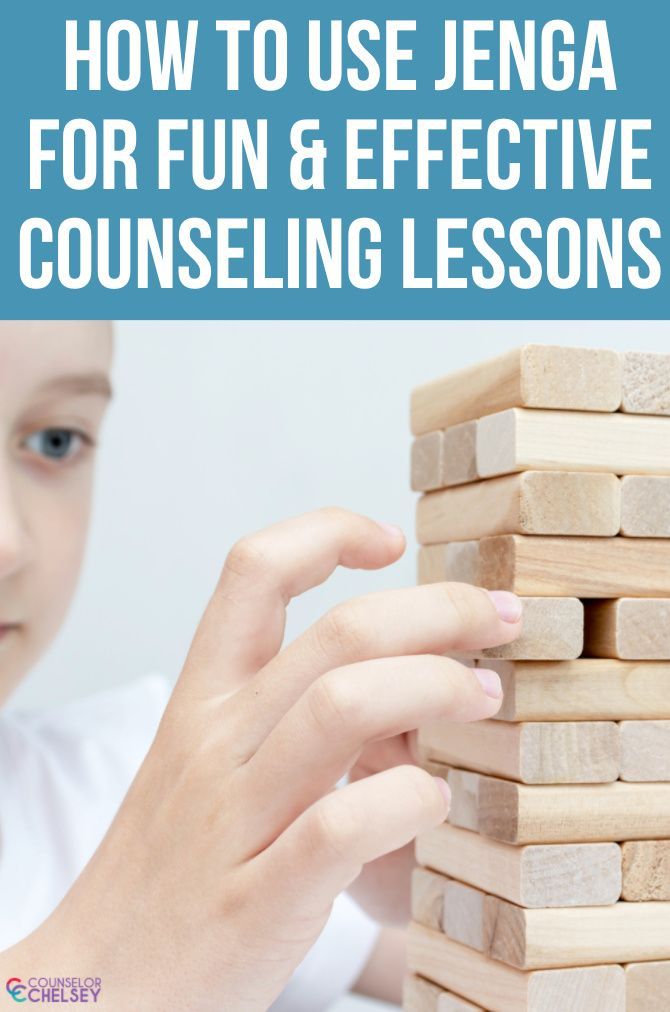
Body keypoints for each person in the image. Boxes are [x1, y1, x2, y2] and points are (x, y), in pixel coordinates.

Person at [0, 322, 522, 1010]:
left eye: (54, 441)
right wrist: (92, 974)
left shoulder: (139, 781)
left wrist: (458, 891)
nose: (8, 543)